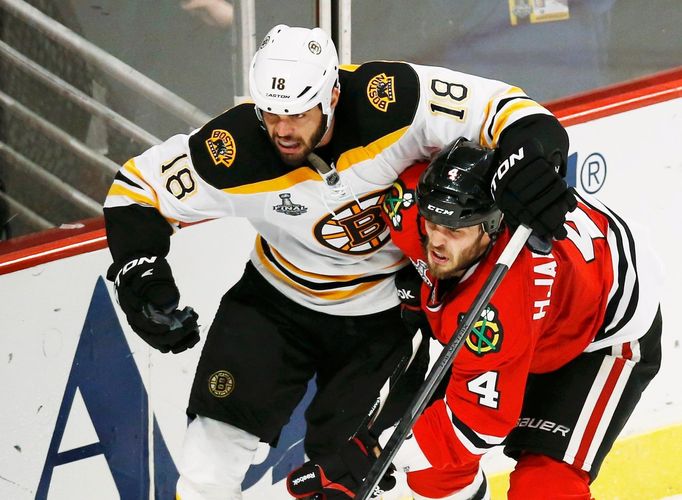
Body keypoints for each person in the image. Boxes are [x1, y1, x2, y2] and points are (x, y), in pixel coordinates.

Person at [103, 24, 577, 499]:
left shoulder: (391, 101)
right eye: (271, 113)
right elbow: (137, 190)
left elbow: (507, 109)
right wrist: (140, 277)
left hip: (383, 317)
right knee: (207, 463)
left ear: (332, 93)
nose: (282, 130)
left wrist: (531, 158)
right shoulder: (234, 150)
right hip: (274, 303)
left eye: (298, 112)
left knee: (352, 473)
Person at [286, 139, 662, 499]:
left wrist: (378, 462)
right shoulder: (408, 205)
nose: (436, 241)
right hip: (540, 318)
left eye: (454, 231)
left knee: (544, 488)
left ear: (490, 228)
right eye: (432, 222)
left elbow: (478, 425)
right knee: (435, 470)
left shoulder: (502, 300)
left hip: (603, 327)